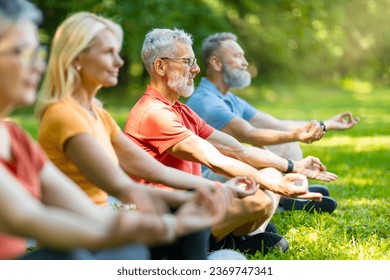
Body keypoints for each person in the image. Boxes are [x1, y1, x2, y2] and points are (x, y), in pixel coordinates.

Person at [0, 0, 232, 261]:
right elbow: (34, 216)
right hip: (76, 239)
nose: (119, 62)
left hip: (96, 223)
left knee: (182, 212)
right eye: (23, 52)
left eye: (38, 53)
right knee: (74, 256)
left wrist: (209, 191)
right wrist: (167, 223)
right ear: (76, 58)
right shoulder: (63, 115)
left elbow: (148, 172)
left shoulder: (22, 135)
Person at [124, 28, 338, 255]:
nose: (195, 69)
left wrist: (293, 167)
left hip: (194, 199)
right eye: (187, 62)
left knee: (267, 182)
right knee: (260, 199)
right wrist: (278, 186)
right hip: (166, 213)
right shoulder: (154, 113)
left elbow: (237, 149)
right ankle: (212, 242)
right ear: (160, 66)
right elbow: (216, 160)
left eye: (194, 61)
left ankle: (230, 239)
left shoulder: (181, 110)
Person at [187, 32, 359, 213]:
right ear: (216, 63)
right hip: (205, 180)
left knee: (284, 144)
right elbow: (249, 134)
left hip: (223, 173)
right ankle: (284, 198)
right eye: (237, 56)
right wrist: (295, 135)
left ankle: (289, 197)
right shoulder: (207, 102)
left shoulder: (227, 97)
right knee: (266, 158)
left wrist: (326, 124)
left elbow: (275, 124)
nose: (245, 63)